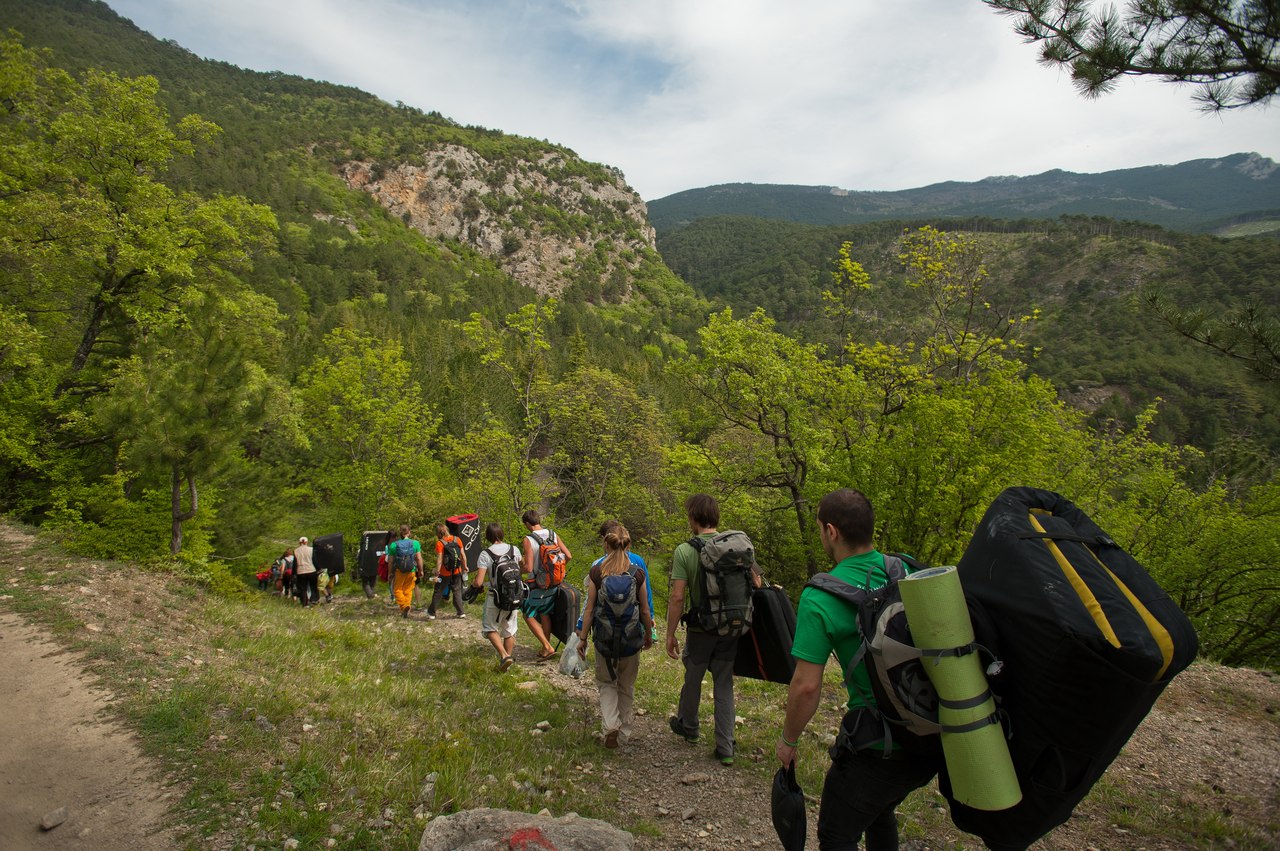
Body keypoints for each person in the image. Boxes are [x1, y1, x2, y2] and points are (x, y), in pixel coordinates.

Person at [776, 488, 941, 850]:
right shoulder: (907, 567)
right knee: (878, 808)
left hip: (878, 745)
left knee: (837, 834)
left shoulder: (821, 597)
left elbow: (806, 686)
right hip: (932, 736)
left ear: (831, 532)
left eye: (820, 526)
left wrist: (788, 741)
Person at [666, 493, 761, 766]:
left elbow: (677, 597)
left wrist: (670, 633)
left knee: (693, 677)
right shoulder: (738, 546)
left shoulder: (685, 550)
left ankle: (691, 728)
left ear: (693, 518)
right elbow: (757, 583)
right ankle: (725, 747)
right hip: (732, 628)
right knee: (723, 683)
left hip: (701, 629)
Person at [577, 523, 653, 749]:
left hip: (604, 640)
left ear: (605, 544)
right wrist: (648, 634)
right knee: (626, 686)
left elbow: (589, 609)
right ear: (628, 545)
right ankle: (624, 733)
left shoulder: (597, 572)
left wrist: (582, 638)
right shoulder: (637, 573)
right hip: (631, 640)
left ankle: (611, 724)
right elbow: (645, 609)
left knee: (606, 683)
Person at [586, 519, 656, 644]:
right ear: (627, 543)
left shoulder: (598, 566)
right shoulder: (638, 562)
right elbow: (647, 593)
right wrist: (650, 617)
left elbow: (590, 604)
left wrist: (582, 629)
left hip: (604, 627)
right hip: (631, 625)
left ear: (606, 542)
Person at [520, 509, 571, 660]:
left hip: (537, 584)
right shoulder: (552, 534)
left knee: (527, 614)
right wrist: (557, 571)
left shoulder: (528, 539)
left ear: (528, 524)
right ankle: (545, 648)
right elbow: (568, 556)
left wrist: (518, 571)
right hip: (554, 583)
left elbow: (528, 567)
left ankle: (547, 647)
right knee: (545, 614)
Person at [471, 522, 521, 672]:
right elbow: (522, 567)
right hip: (514, 595)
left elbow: (479, 581)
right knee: (510, 630)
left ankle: (504, 656)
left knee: (489, 627)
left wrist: (474, 586)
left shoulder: (486, 554)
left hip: (496, 596)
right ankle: (507, 661)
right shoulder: (514, 550)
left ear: (488, 536)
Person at [427, 522, 468, 620]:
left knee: (438, 591)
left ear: (438, 533)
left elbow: (440, 558)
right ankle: (461, 612)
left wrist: (437, 571)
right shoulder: (457, 539)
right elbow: (462, 555)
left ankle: (432, 613)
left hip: (444, 572)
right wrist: (465, 566)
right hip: (457, 570)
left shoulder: (440, 543)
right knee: (457, 590)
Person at [387, 524, 424, 618]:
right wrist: (420, 570)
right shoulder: (415, 543)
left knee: (397, 590)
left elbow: (390, 561)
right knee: (408, 589)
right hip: (411, 570)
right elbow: (419, 558)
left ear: (400, 533)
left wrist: (390, 573)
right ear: (409, 532)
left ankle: (404, 607)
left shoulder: (394, 545)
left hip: (399, 571)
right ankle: (406, 607)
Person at [294, 536, 319, 607]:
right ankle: (314, 599)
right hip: (311, 570)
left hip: (301, 572)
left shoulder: (296, 551)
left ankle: (305, 603)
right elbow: (314, 561)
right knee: (313, 586)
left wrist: (294, 574)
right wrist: (319, 568)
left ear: (299, 543)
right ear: (306, 542)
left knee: (303, 588)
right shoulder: (311, 549)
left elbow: (295, 564)